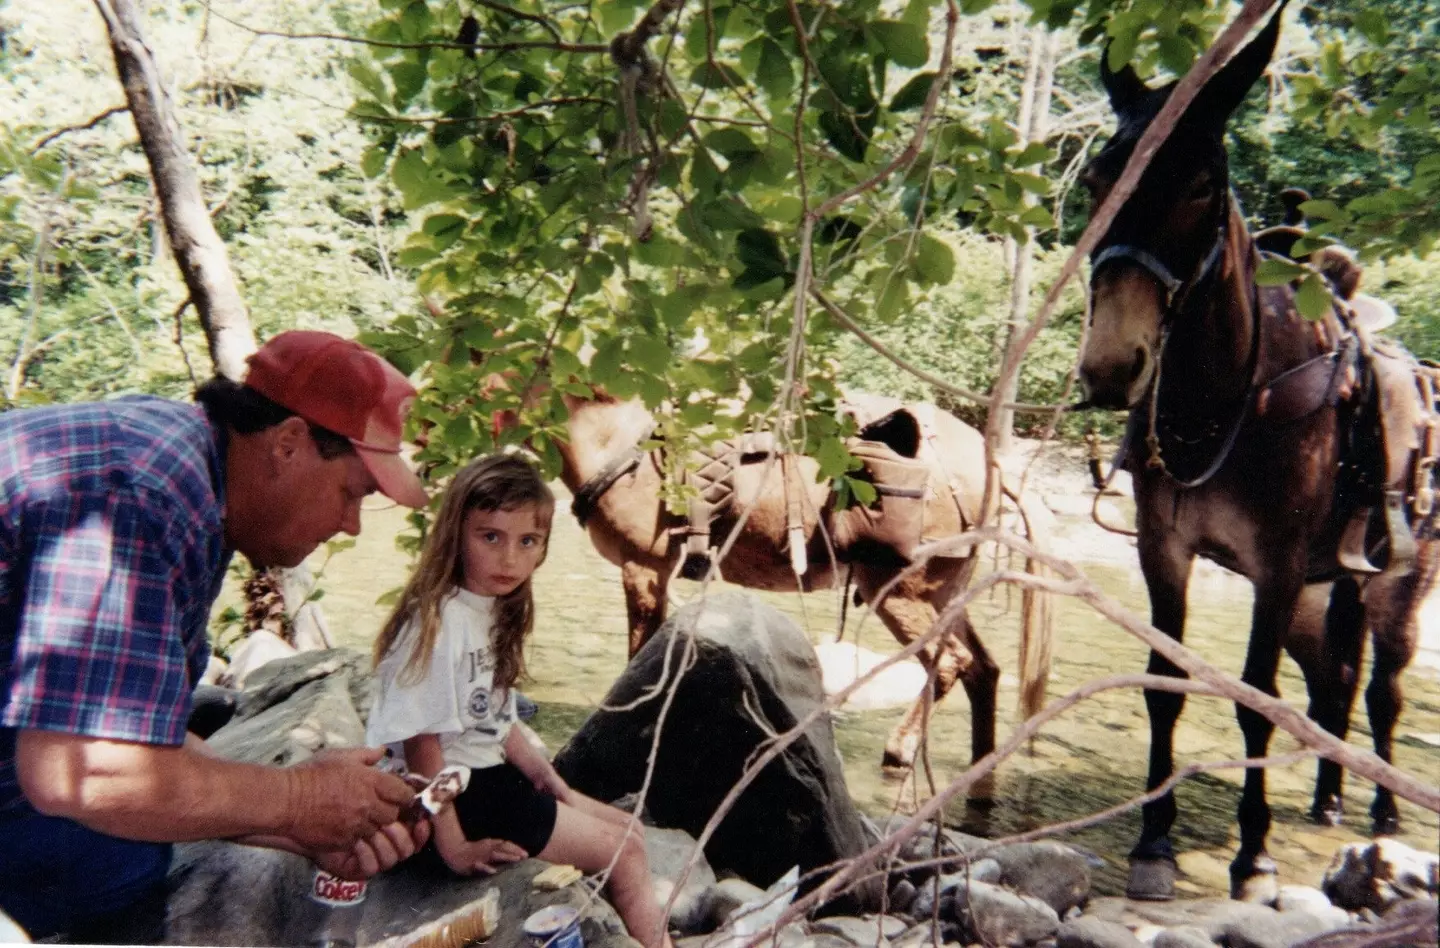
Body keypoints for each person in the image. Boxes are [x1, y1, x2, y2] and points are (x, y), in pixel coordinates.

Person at [0, 330, 434, 942]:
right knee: (107, 862)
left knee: (120, 852)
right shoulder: (142, 493)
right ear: (287, 443)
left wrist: (303, 827)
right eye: (352, 493)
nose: (351, 525)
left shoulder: (189, 468)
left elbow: (129, 728)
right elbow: (79, 768)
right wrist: (299, 799)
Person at [367, 454, 674, 948]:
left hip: (491, 780)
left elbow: (493, 717)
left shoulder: (490, 610)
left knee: (631, 831)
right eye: (491, 537)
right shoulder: (440, 624)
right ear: (456, 536)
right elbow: (422, 745)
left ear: (543, 547)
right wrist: (455, 849)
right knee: (627, 855)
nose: (510, 558)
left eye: (527, 541)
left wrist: (543, 774)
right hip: (461, 797)